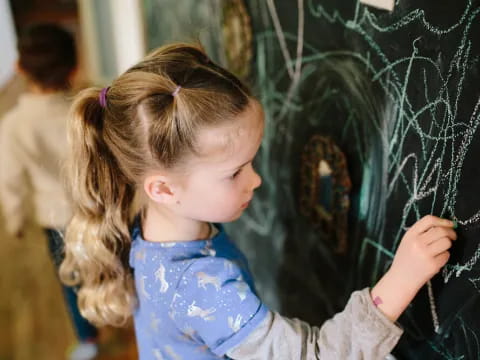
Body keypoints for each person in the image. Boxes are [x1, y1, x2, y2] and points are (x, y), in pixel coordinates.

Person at [59, 43, 457, 360]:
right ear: (163, 189)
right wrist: (403, 277)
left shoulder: (154, 225)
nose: (257, 180)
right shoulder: (204, 289)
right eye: (235, 172)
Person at [0, 23, 99, 360]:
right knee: (112, 262)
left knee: (70, 277)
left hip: (56, 219)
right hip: (99, 207)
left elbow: (9, 180)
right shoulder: (88, 105)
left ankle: (88, 340)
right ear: (75, 66)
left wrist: (14, 219)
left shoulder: (13, 126)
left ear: (19, 68)